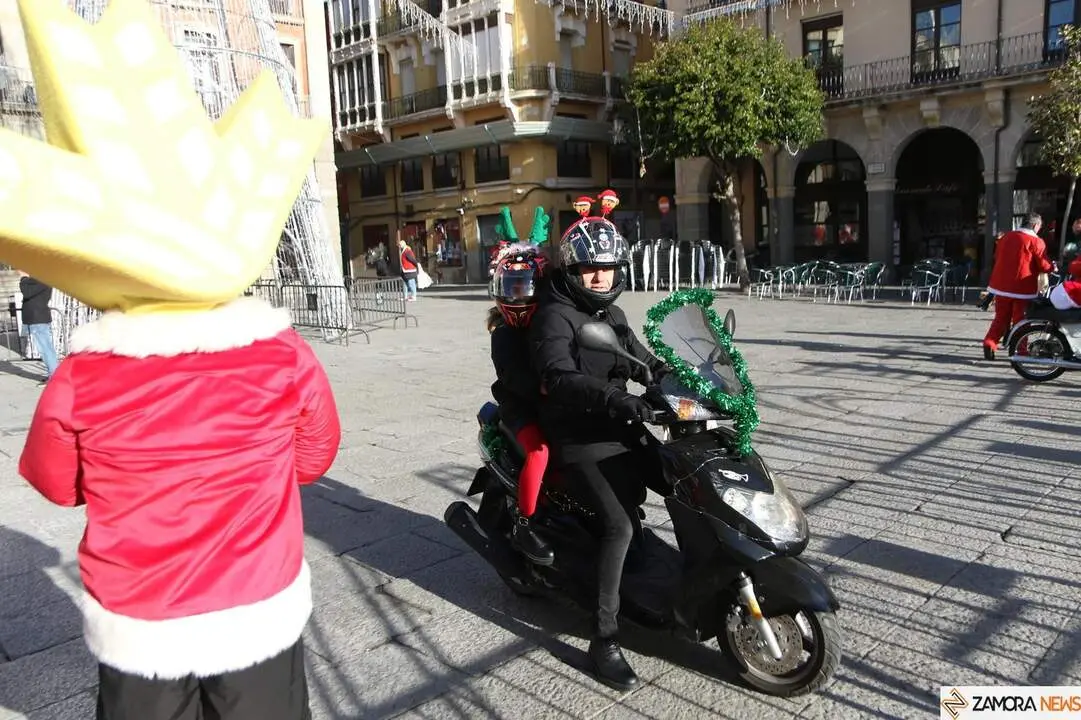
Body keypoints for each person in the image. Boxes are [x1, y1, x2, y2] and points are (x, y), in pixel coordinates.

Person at [0, 2, 341, 716]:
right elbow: (313, 457)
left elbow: (56, 483)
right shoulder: (282, 356)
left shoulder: (82, 376)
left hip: (141, 618)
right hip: (258, 602)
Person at [529, 213, 667, 692]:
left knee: (684, 476)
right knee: (620, 524)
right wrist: (615, 397)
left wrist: (676, 376)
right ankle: (604, 638)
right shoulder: (554, 315)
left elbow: (640, 357)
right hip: (580, 435)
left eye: (606, 267)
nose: (599, 276)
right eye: (590, 268)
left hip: (622, 424)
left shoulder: (613, 315)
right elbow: (557, 377)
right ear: (572, 269)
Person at [487, 244, 553, 566]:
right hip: (519, 407)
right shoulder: (502, 334)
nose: (518, 295)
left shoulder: (547, 323)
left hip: (553, 400)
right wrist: (544, 388)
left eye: (525, 286)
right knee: (539, 452)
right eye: (512, 287)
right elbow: (511, 377)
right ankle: (524, 523)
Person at [983, 213, 1055, 360]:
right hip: (1023, 287)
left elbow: (997, 257)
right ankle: (1020, 350)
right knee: (1020, 320)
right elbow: (1043, 264)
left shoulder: (1005, 237)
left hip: (1001, 285)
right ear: (1035, 225)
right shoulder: (1036, 241)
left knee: (1000, 318)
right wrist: (1052, 267)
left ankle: (990, 342)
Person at [17, 271, 57, 385]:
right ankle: (54, 374)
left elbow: (27, 292)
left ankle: (54, 376)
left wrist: (23, 278)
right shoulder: (44, 278)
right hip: (39, 318)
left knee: (45, 349)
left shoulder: (41, 279)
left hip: (38, 319)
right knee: (46, 348)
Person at [399, 237, 420, 301]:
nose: (399, 246)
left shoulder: (407, 251)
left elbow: (412, 259)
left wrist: (417, 265)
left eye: (400, 245)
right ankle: (405, 296)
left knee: (411, 283)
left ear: (402, 245)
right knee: (405, 284)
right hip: (405, 270)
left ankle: (414, 296)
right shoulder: (404, 250)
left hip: (410, 270)